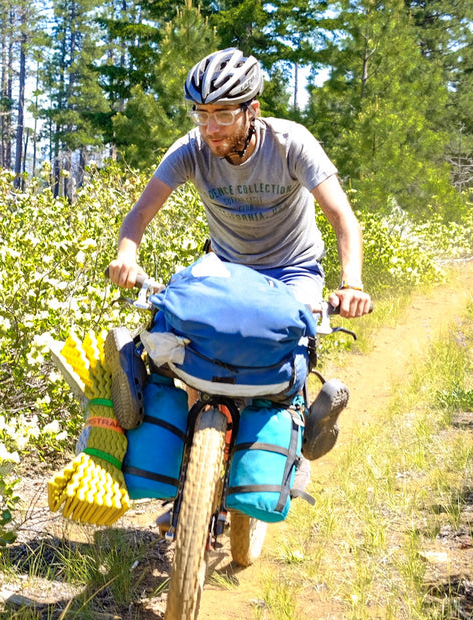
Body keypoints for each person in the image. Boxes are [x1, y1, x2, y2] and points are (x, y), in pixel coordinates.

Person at [106, 47, 373, 463]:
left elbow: (342, 218)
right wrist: (127, 256)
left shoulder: (290, 143)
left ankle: (303, 426)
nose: (211, 127)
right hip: (227, 267)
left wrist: (351, 282)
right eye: (202, 113)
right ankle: (183, 470)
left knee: (290, 345)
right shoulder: (190, 149)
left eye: (224, 114)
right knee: (182, 330)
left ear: (253, 110)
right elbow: (140, 212)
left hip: (292, 269)